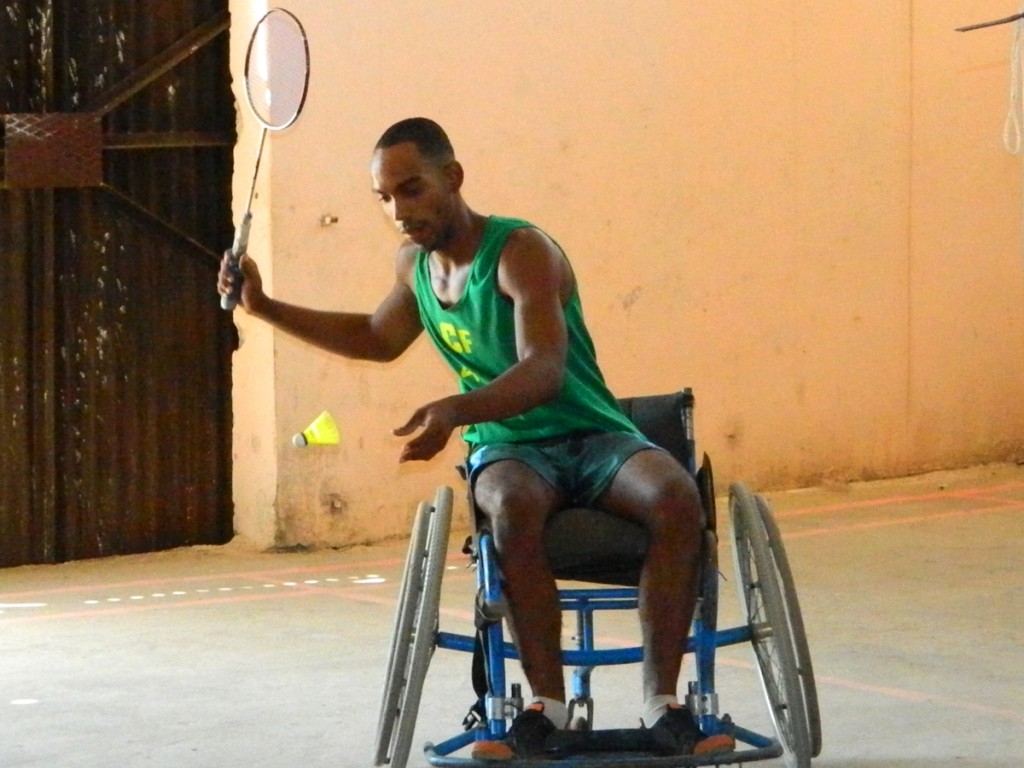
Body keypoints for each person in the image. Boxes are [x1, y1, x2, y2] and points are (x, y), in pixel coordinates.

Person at [217, 117, 734, 759]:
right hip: (510, 447)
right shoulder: (414, 266)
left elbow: (543, 367)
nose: (398, 211)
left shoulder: (520, 251)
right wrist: (264, 307)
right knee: (510, 505)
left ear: (452, 179)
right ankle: (543, 708)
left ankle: (665, 706)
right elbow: (378, 338)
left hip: (593, 431)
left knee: (677, 495)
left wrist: (455, 408)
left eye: (411, 190)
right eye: (384, 198)